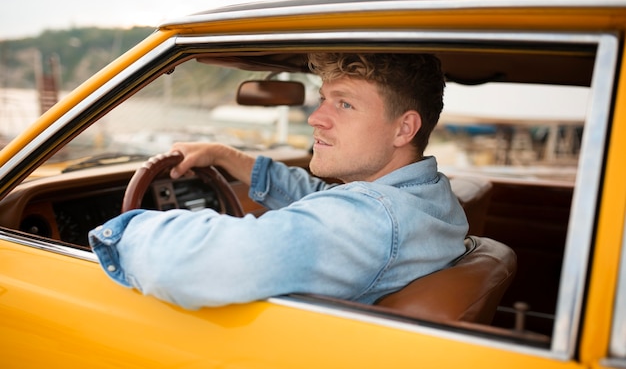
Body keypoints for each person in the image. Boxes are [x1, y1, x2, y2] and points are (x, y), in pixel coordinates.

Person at [89, 53, 468, 310]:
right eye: (323, 99)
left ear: (404, 128)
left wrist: (116, 233)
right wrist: (226, 157)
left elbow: (196, 264)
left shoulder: (370, 222)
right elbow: (329, 200)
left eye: (345, 103)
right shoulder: (427, 195)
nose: (315, 118)